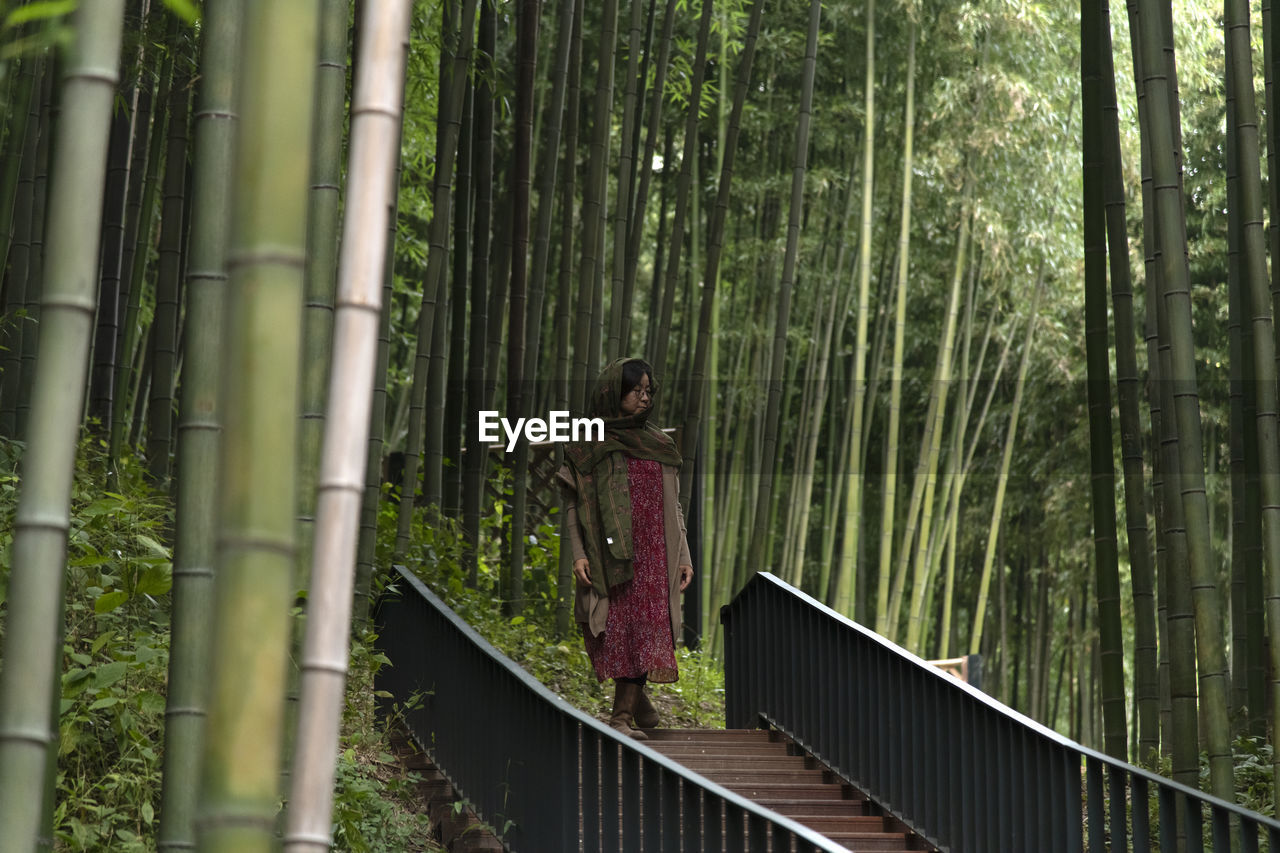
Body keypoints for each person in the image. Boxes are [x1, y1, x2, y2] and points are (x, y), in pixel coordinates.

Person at [557, 357, 694, 740]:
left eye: (649, 391)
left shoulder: (660, 444)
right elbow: (573, 504)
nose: (645, 397)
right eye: (637, 390)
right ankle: (639, 704)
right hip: (609, 556)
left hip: (656, 555)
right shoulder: (587, 443)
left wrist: (683, 554)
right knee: (613, 630)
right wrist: (579, 553)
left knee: (646, 631)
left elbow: (675, 505)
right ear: (613, 393)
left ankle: (620, 718)